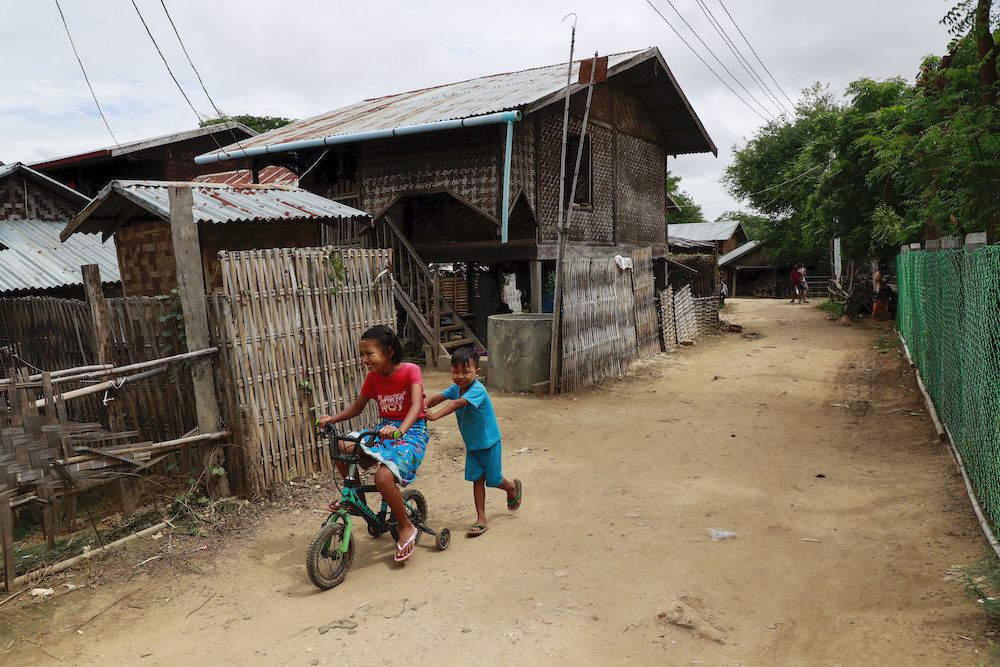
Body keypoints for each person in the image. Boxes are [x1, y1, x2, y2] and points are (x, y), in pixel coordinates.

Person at [316, 325, 428, 563]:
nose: (365, 360)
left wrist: (400, 430)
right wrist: (332, 419)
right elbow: (358, 407)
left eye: (370, 354)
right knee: (341, 446)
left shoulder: (410, 370)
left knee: (383, 479)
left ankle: (406, 526)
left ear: (389, 351)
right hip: (383, 432)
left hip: (411, 434)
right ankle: (358, 504)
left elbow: (417, 406)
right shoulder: (374, 377)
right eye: (362, 355)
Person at [424, 347, 522, 537]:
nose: (460, 376)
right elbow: (439, 397)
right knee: (477, 480)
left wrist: (434, 416)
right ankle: (481, 518)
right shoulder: (456, 388)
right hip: (472, 446)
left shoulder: (478, 389)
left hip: (489, 443)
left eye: (465, 372)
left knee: (493, 481)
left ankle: (511, 488)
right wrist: (421, 405)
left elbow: (456, 404)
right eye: (455, 371)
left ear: (477, 372)